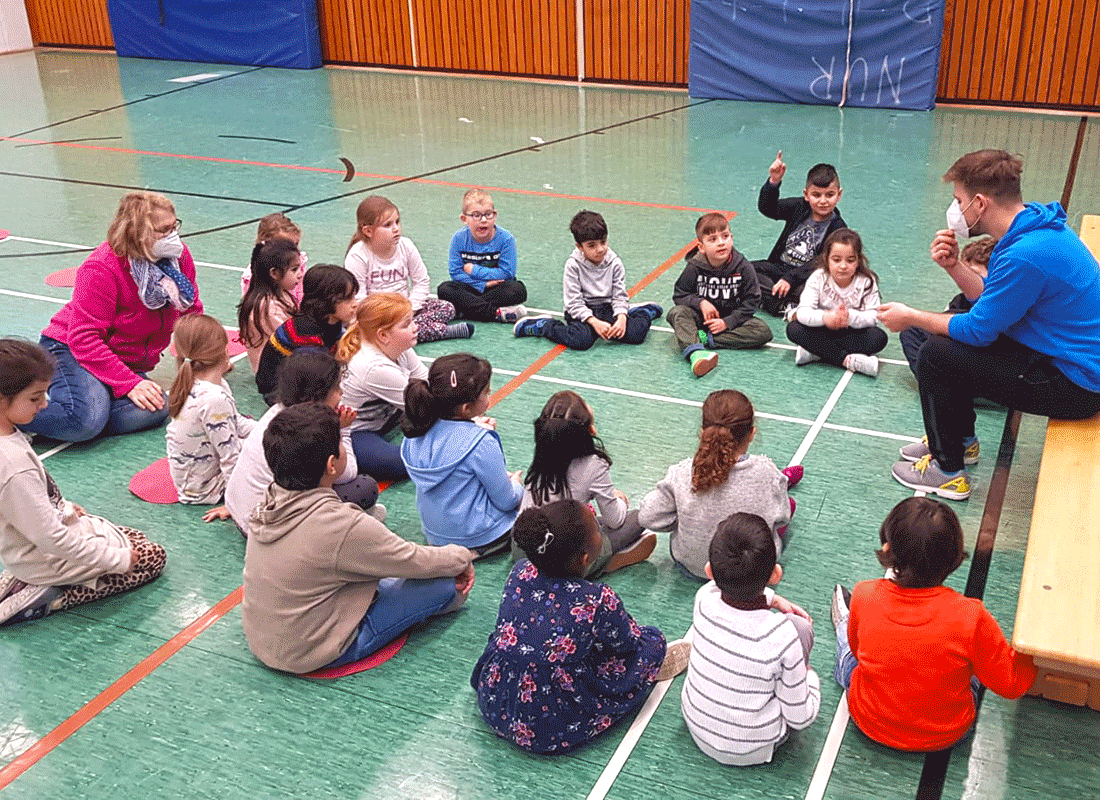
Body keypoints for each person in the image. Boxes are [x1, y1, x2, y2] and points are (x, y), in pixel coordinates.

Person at [879, 149, 1100, 500]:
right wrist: (954, 266)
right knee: (942, 338)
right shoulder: (1029, 229)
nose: (955, 209)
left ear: (979, 203)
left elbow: (979, 330)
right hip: (1059, 357)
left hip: (1077, 385)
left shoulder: (1025, 254)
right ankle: (961, 441)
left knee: (937, 351)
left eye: (959, 200)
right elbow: (993, 302)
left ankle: (948, 471)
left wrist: (912, 316)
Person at [242, 402, 474, 674]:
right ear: (331, 465)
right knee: (447, 585)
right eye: (341, 442)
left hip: (265, 641)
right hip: (313, 652)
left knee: (375, 565)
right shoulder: (342, 526)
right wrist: (462, 557)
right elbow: (414, 559)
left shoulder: (270, 501)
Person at [470, 500, 688, 754]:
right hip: (551, 721)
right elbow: (627, 643)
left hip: (498, 700)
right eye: (597, 528)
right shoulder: (596, 600)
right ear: (585, 559)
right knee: (651, 643)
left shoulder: (519, 572)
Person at [830, 496, 1036, 751]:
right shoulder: (971, 616)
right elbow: (1011, 684)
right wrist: (1033, 643)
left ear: (887, 549)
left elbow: (858, 648)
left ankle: (842, 621)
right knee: (973, 666)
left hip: (869, 721)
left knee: (849, 655)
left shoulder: (865, 594)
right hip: (947, 734)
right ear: (955, 557)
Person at [0, 339, 166, 626]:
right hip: (45, 556)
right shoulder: (13, 465)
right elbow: (51, 537)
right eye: (34, 398)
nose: (45, 405)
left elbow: (28, 507)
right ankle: (52, 594)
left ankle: (26, 575)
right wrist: (118, 561)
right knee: (151, 556)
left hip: (28, 547)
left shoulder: (10, 437)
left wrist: (62, 508)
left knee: (132, 538)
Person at [22, 191, 203, 442]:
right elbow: (84, 339)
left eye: (174, 226)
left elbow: (191, 311)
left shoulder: (178, 258)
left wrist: (205, 354)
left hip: (121, 358)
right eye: (163, 230)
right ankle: (15, 414)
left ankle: (87, 411)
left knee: (157, 406)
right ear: (137, 232)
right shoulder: (101, 268)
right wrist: (129, 383)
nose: (173, 236)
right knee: (84, 422)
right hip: (70, 349)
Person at [682, 512, 819, 766]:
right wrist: (809, 674)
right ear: (775, 575)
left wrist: (773, 599)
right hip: (754, 746)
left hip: (696, 724)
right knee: (802, 628)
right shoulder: (782, 636)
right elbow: (801, 718)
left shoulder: (703, 599)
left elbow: (718, 591)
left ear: (709, 571)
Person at [639, 389, 799, 580]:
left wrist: (687, 516)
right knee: (786, 508)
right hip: (750, 573)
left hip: (693, 568)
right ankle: (784, 481)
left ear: (702, 432)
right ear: (752, 434)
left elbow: (648, 517)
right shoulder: (767, 471)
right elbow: (782, 518)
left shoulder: (682, 472)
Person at [225, 351, 381, 538]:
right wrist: (343, 429)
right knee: (364, 487)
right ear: (320, 393)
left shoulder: (278, 412)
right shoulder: (311, 430)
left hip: (241, 513)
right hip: (268, 527)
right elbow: (347, 473)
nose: (342, 393)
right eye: (337, 388)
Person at [519, 390, 656, 575]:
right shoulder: (594, 464)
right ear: (589, 431)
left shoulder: (544, 452)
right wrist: (620, 501)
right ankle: (599, 564)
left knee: (581, 521)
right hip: (566, 558)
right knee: (641, 515)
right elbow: (614, 520)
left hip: (526, 551)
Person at [400, 353, 522, 557]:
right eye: (487, 392)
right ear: (466, 408)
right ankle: (475, 550)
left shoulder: (414, 432)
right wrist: (517, 484)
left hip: (434, 534)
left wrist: (473, 427)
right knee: (531, 498)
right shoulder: (481, 442)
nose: (490, 393)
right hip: (478, 535)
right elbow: (507, 501)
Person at [513, 210, 662, 348]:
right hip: (581, 311)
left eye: (603, 242)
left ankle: (641, 312)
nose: (600, 249)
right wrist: (594, 323)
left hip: (607, 307)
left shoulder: (615, 262)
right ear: (579, 247)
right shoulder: (573, 265)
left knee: (636, 334)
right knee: (581, 340)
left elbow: (619, 295)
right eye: (592, 245)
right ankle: (544, 325)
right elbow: (573, 303)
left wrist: (622, 317)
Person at [344, 195, 473, 342]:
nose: (396, 229)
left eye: (397, 222)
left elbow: (422, 281)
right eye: (387, 225)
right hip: (378, 316)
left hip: (406, 309)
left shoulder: (406, 246)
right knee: (367, 328)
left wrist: (409, 310)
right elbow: (359, 299)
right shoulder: (358, 256)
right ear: (368, 231)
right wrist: (387, 316)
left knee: (446, 307)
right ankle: (441, 331)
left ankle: (405, 331)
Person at [165, 315, 255, 520]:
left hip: (197, 477)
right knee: (273, 460)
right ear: (226, 351)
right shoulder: (214, 399)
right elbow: (229, 456)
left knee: (266, 443)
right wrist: (235, 504)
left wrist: (265, 430)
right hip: (205, 489)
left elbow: (236, 422)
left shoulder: (207, 383)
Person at [667, 213, 772, 378]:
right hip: (701, 318)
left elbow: (752, 301)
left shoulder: (743, 267)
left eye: (725, 236)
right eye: (712, 239)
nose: (721, 243)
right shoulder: (695, 266)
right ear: (701, 247)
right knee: (676, 313)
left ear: (731, 238)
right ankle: (696, 354)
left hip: (731, 319)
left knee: (762, 332)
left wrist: (727, 322)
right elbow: (680, 295)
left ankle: (704, 339)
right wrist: (701, 303)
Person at [336, 292, 427, 481]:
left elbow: (426, 383)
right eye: (406, 324)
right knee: (400, 463)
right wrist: (468, 422)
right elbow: (423, 408)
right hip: (354, 430)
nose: (415, 327)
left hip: (386, 417)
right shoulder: (374, 367)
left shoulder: (400, 347)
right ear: (383, 335)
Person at [753, 153, 847, 316]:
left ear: (839, 195)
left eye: (829, 195)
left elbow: (822, 262)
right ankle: (784, 304)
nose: (823, 201)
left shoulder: (839, 229)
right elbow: (768, 208)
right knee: (745, 270)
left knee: (819, 292)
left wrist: (790, 279)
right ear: (806, 194)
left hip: (806, 277)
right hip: (779, 267)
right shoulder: (799, 206)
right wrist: (773, 182)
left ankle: (774, 302)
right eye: (816, 195)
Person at [785, 228, 887, 377]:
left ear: (858, 261)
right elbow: (803, 312)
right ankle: (847, 360)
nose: (843, 266)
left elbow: (873, 316)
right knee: (794, 329)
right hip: (821, 328)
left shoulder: (866, 281)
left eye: (850, 260)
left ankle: (817, 352)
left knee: (878, 338)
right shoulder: (818, 277)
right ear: (827, 259)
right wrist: (826, 318)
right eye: (836, 259)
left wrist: (849, 318)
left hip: (850, 331)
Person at [254, 263, 359, 404]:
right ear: (325, 301)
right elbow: (317, 375)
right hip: (278, 391)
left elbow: (340, 340)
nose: (355, 304)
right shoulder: (304, 335)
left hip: (304, 376)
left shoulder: (331, 320)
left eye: (354, 297)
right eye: (347, 299)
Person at [899, 236, 996, 376]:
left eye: (975, 274)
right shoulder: (960, 301)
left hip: (986, 356)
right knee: (911, 330)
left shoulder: (1000, 305)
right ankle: (927, 378)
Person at [437, 189, 528, 323]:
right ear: (464, 219)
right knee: (445, 289)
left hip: (496, 288)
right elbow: (455, 272)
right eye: (476, 215)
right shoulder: (458, 239)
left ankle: (465, 310)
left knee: (517, 289)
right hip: (470, 286)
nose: (483, 220)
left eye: (488, 214)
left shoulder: (506, 239)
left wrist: (475, 270)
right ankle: (495, 313)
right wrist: (482, 285)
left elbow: (507, 273)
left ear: (495, 215)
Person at [237, 238, 303, 372]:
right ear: (274, 273)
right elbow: (293, 339)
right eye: (294, 269)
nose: (300, 274)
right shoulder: (268, 307)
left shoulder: (281, 294)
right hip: (274, 376)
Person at [239, 213, 305, 306]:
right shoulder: (253, 275)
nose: (293, 251)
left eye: (296, 245)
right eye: (286, 247)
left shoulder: (298, 262)